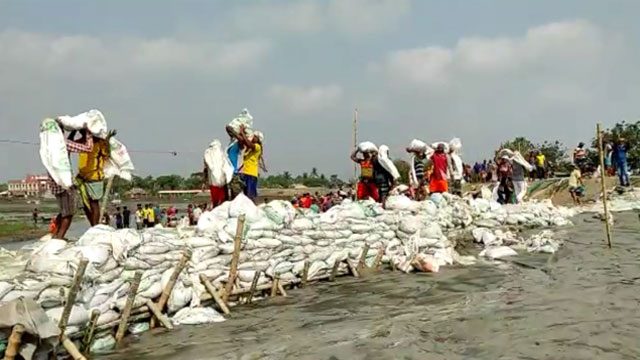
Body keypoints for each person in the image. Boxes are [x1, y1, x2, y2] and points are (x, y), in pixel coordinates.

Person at [48, 124, 94, 240]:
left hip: (54, 182)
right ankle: (59, 238)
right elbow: (88, 148)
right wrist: (88, 134)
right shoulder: (63, 144)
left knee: (64, 210)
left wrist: (73, 131)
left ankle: (56, 234)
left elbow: (69, 142)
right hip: (64, 183)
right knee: (68, 213)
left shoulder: (49, 144)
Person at [76, 128, 115, 226]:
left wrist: (107, 140)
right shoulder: (82, 142)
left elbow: (107, 154)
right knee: (85, 205)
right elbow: (69, 143)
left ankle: (95, 227)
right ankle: (93, 225)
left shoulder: (99, 143)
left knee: (94, 203)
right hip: (83, 178)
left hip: (94, 177)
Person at [238, 129, 265, 203]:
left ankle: (254, 209)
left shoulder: (257, 146)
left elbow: (249, 144)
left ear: (258, 139)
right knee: (245, 195)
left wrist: (242, 133)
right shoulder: (248, 149)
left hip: (251, 174)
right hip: (246, 173)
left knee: (250, 195)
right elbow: (245, 143)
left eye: (255, 137)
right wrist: (242, 133)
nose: (253, 138)